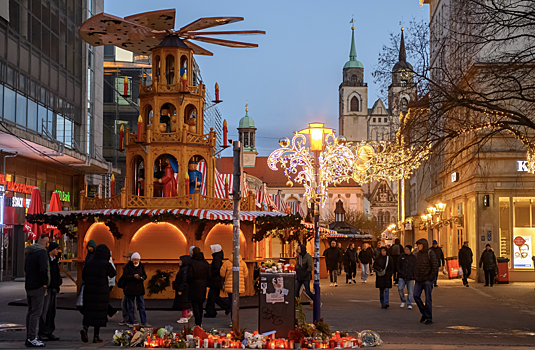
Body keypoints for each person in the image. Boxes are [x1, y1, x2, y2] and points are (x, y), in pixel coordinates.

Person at [80, 244, 116, 343]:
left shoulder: (89, 262)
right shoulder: (105, 264)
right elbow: (113, 273)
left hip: (89, 291)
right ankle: (96, 336)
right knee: (99, 314)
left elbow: (83, 275)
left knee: (89, 312)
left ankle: (85, 328)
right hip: (101, 292)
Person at [24, 234, 50, 347]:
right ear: (44, 242)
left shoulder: (30, 252)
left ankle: (29, 337)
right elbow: (43, 269)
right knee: (36, 313)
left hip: (29, 285)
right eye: (47, 242)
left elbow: (25, 268)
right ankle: (32, 338)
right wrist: (44, 283)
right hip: (38, 286)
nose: (47, 244)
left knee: (30, 312)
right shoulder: (42, 253)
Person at [38, 241, 62, 342]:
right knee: (45, 310)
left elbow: (56, 273)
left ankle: (49, 331)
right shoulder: (46, 259)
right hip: (47, 287)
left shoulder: (55, 259)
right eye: (56, 249)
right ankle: (42, 332)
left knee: (52, 310)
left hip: (54, 288)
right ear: (52, 250)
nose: (58, 251)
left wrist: (58, 283)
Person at [413, 238, 439, 325]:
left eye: (419, 245)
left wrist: (431, 278)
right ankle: (424, 312)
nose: (418, 246)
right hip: (419, 280)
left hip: (427, 280)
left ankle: (429, 317)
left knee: (428, 299)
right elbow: (416, 266)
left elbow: (435, 265)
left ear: (423, 245)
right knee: (416, 295)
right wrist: (415, 276)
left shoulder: (430, 253)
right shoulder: (418, 254)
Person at [220, 251, 249, 328]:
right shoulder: (243, 263)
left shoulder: (226, 263)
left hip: (230, 286)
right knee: (236, 303)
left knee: (231, 302)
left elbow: (222, 274)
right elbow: (246, 275)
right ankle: (235, 320)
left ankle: (233, 320)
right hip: (239, 286)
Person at [122, 252, 149, 327]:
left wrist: (141, 278)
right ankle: (131, 322)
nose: (136, 261)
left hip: (139, 288)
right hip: (130, 289)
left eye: (137, 260)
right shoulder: (128, 266)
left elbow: (145, 275)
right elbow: (125, 276)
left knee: (141, 306)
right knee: (131, 306)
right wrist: (133, 276)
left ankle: (144, 321)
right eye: (134, 260)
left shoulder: (141, 266)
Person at [188, 247, 211, 327]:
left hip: (194, 285)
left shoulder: (191, 263)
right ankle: (199, 321)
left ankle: (197, 322)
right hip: (203, 285)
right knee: (200, 304)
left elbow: (189, 276)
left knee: (195, 304)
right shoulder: (205, 263)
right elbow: (209, 275)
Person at [205, 245, 230, 318]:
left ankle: (212, 311)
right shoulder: (218, 258)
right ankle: (226, 306)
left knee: (212, 297)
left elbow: (216, 270)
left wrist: (210, 274)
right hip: (216, 281)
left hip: (214, 281)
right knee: (214, 297)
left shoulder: (216, 259)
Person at [118, 252, 139, 326]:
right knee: (125, 303)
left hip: (131, 288)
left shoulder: (132, 266)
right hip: (127, 287)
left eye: (128, 257)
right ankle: (127, 318)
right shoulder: (127, 266)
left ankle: (134, 319)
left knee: (131, 304)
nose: (126, 259)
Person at [173, 255, 192, 323]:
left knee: (183, 303)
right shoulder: (185, 269)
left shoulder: (184, 270)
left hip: (184, 289)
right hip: (186, 289)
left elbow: (184, 280)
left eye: (181, 260)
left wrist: (180, 289)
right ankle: (188, 313)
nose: (179, 262)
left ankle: (184, 317)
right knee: (185, 303)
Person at [397, 245, 416, 309]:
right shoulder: (401, 256)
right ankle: (403, 300)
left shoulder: (413, 257)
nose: (406, 250)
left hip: (410, 277)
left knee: (410, 291)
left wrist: (414, 275)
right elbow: (398, 264)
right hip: (402, 275)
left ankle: (409, 303)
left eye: (407, 249)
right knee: (400, 288)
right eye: (405, 249)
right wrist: (399, 271)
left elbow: (416, 267)